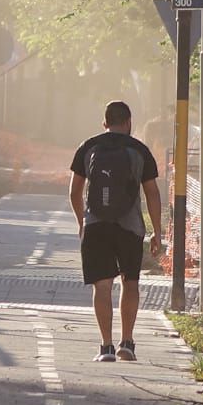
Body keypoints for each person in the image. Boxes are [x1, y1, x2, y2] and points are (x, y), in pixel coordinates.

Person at [69, 100, 162, 362]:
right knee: (130, 282)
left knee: (102, 285)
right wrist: (157, 231)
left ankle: (106, 346)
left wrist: (81, 222)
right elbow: (152, 193)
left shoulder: (88, 147)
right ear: (129, 122)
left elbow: (75, 191)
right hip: (130, 226)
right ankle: (127, 343)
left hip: (96, 225)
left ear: (105, 123)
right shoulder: (139, 150)